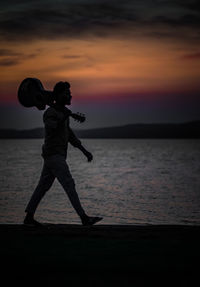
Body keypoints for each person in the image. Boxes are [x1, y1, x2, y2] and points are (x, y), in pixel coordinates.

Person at [24, 81, 102, 226]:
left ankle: (29, 217)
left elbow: (70, 136)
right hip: (54, 156)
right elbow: (52, 128)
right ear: (58, 96)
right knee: (69, 184)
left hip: (54, 156)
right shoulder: (50, 113)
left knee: (43, 187)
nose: (70, 95)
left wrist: (85, 152)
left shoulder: (61, 113)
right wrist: (63, 117)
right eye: (66, 93)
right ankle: (84, 218)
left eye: (69, 93)